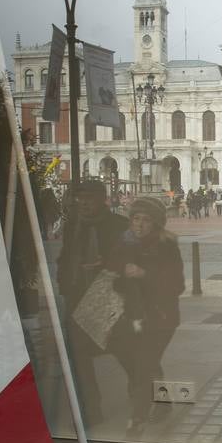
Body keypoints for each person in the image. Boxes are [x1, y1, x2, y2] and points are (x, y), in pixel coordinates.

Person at [106, 196, 186, 428]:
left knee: (144, 364)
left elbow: (177, 285)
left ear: (157, 223)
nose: (139, 224)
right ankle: (162, 402)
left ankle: (138, 417)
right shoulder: (125, 242)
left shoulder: (166, 245)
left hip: (160, 316)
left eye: (146, 220)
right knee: (144, 362)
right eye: (135, 218)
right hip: (132, 314)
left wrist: (144, 274)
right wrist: (118, 268)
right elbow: (114, 270)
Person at [58, 180, 131, 421]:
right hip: (78, 296)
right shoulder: (73, 226)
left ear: (102, 199)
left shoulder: (119, 224)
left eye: (89, 198)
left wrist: (107, 263)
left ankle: (149, 394)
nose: (83, 203)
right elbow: (65, 256)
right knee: (79, 357)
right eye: (80, 198)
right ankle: (91, 409)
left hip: (107, 298)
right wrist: (64, 283)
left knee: (123, 350)